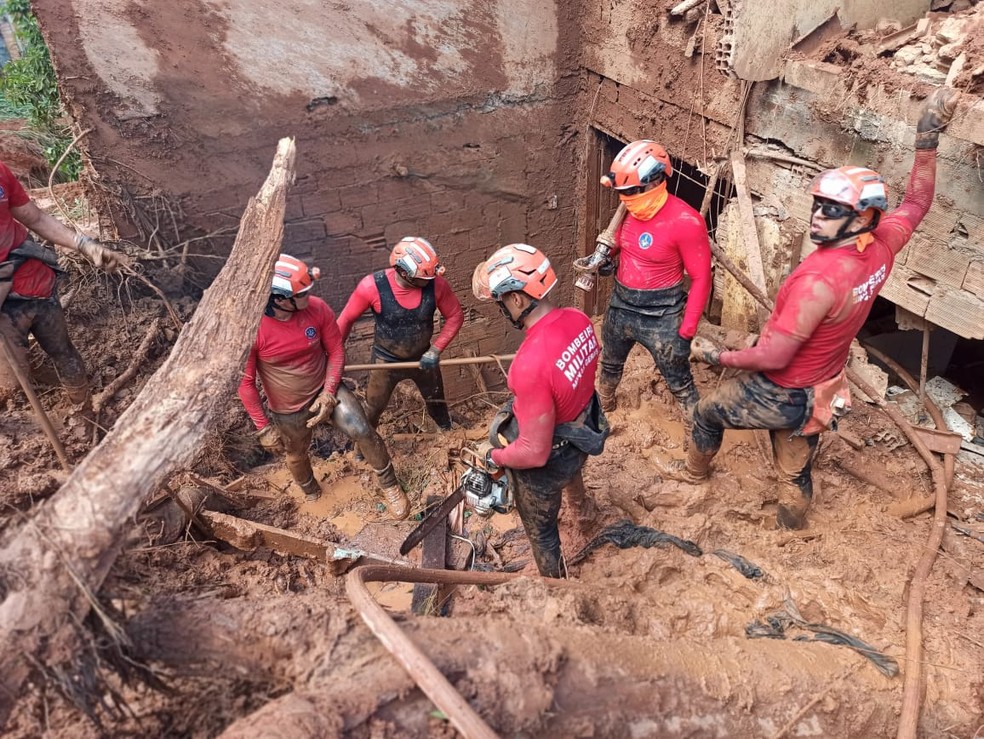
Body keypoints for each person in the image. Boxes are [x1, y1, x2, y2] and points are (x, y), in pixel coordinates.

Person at [671, 88, 957, 530]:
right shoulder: (882, 246)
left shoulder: (817, 281)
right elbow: (917, 203)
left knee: (706, 414)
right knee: (795, 469)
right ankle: (791, 529)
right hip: (824, 387)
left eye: (831, 210)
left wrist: (713, 354)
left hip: (781, 388)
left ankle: (694, 476)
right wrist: (926, 141)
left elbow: (773, 358)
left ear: (861, 218)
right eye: (818, 204)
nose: (817, 216)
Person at [472, 244, 609, 578]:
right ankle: (582, 510)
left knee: (543, 532)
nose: (501, 308)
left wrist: (494, 456)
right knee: (569, 468)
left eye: (501, 301)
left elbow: (534, 453)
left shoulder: (528, 363)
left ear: (517, 299)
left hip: (552, 460)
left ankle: (555, 583)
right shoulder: (579, 319)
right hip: (584, 430)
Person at [238, 254, 410, 518]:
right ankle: (310, 491)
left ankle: (390, 485)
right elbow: (246, 383)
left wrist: (329, 392)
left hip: (326, 390)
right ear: (280, 300)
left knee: (363, 429)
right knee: (296, 454)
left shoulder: (317, 309)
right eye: (302, 292)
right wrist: (263, 428)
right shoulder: (253, 330)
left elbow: (336, 351)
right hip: (288, 409)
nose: (310, 295)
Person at [576, 140, 711, 423]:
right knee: (609, 366)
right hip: (621, 305)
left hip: (662, 316)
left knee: (680, 383)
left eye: (631, 192)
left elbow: (701, 279)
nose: (625, 199)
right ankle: (604, 414)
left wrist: (686, 332)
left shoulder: (686, 221)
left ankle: (696, 442)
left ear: (654, 181)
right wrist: (603, 259)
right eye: (622, 193)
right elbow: (624, 247)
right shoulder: (628, 209)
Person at [0, 159, 127, 412]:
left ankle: (84, 411)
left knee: (62, 350)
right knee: (12, 381)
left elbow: (34, 218)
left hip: (34, 281)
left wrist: (84, 244)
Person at [336, 236, 464, 434]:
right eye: (424, 278)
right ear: (404, 272)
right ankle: (363, 451)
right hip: (385, 361)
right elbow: (344, 321)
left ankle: (448, 434)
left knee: (437, 401)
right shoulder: (371, 287)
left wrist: (435, 350)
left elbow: (455, 315)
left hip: (424, 357)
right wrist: (334, 358)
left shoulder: (437, 285)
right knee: (373, 408)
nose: (430, 281)